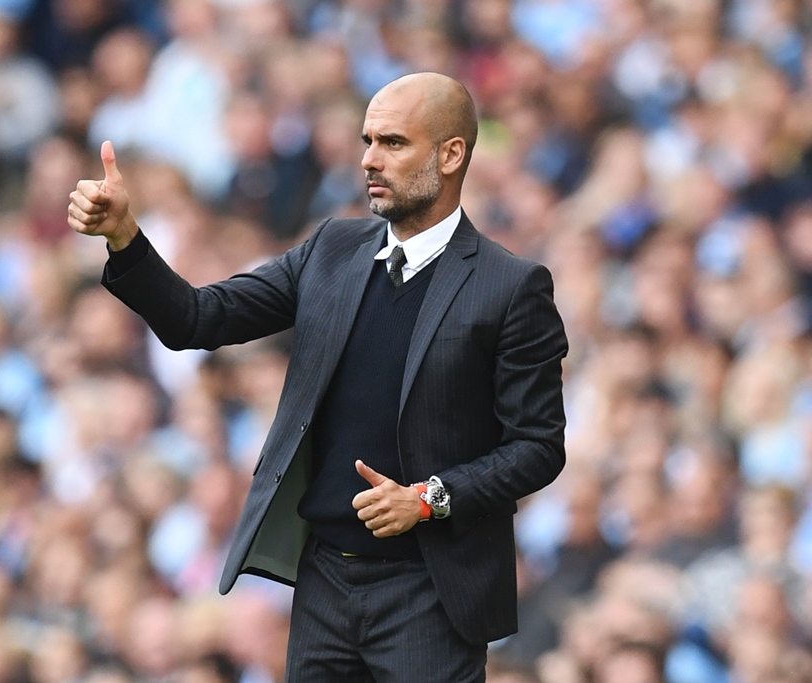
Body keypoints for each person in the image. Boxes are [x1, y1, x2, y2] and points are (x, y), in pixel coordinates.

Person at [67, 71, 568, 682]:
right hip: (324, 580)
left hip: (429, 592)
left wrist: (428, 499)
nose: (368, 160)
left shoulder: (510, 287)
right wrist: (125, 238)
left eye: (392, 143)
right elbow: (198, 319)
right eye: (367, 140)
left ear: (451, 153)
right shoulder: (332, 248)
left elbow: (537, 448)